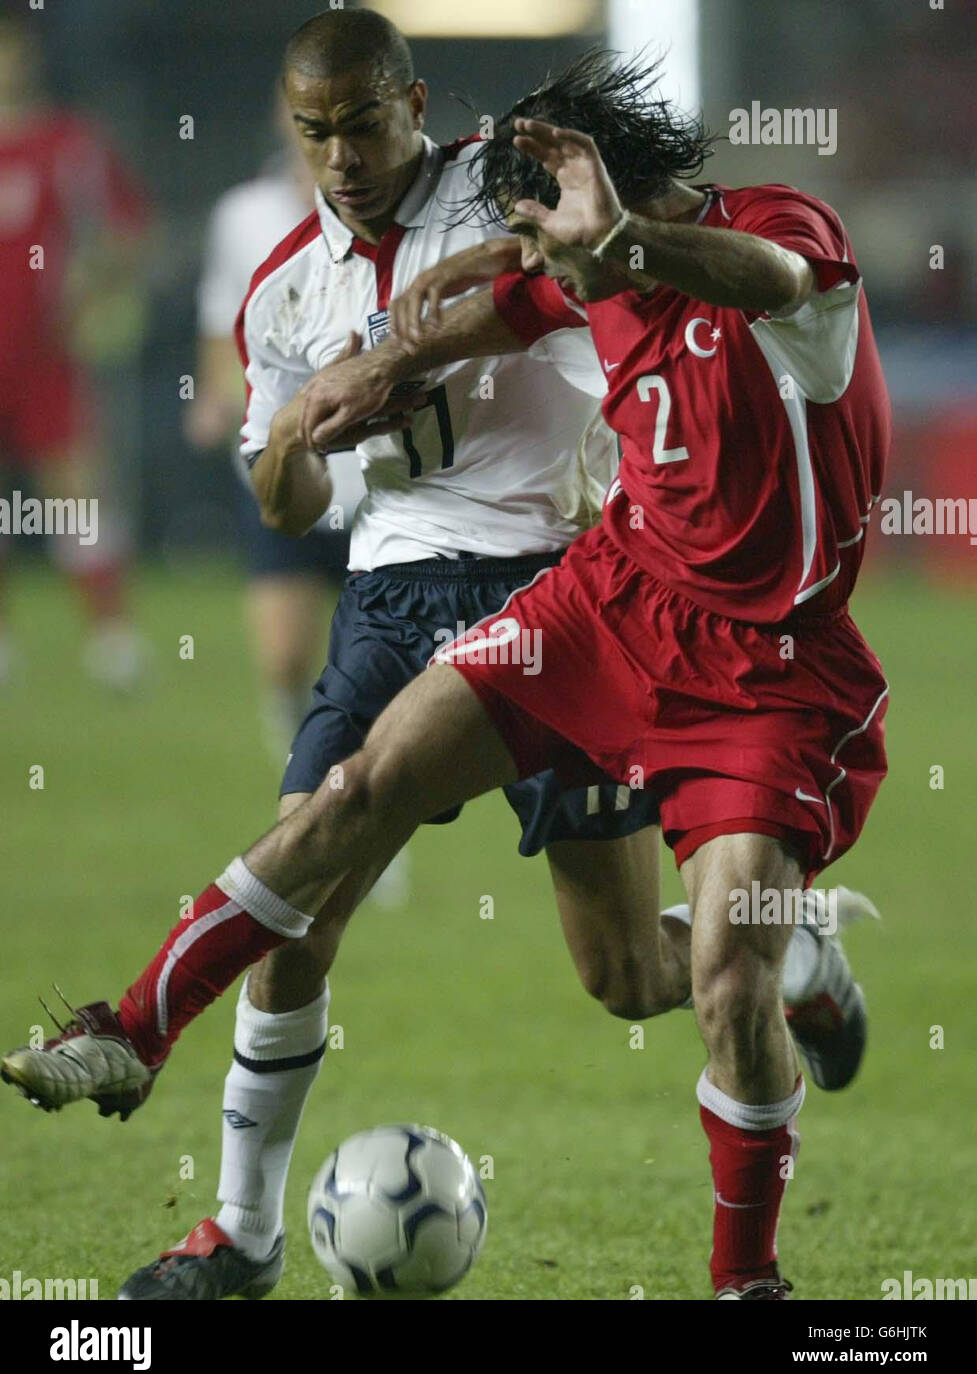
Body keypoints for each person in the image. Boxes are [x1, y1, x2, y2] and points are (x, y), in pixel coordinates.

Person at [1, 36, 880, 1303]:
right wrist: (373, 371)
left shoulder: (750, 227)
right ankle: (141, 1046)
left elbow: (774, 275)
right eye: (320, 134)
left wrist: (606, 244)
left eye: (365, 125)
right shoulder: (369, 270)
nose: (521, 242)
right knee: (349, 808)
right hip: (584, 601)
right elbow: (495, 308)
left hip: (747, 649)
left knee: (671, 976)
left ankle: (748, 1272)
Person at [186, 95, 365, 764]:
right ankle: (302, 747)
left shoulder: (389, 207)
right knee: (284, 655)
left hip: (377, 476)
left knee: (369, 669)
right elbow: (218, 310)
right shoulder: (244, 214)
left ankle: (357, 796)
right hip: (280, 461)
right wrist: (212, 394)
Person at [0, 12, 150, 689]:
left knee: (75, 496)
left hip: (45, 356)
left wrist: (92, 294)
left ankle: (112, 639)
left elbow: (125, 229)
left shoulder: (66, 142)